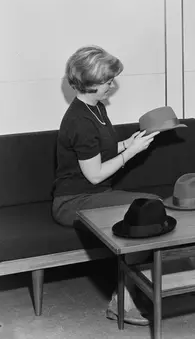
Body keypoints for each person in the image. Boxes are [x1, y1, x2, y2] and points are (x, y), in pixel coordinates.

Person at [52, 45, 159, 326]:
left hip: (94, 194)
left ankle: (133, 292)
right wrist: (131, 152)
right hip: (72, 201)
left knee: (147, 209)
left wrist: (131, 142)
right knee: (148, 207)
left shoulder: (96, 108)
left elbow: (103, 151)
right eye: (108, 81)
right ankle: (123, 301)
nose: (113, 86)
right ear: (91, 83)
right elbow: (95, 175)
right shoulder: (79, 120)